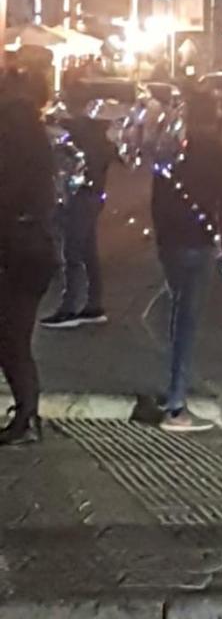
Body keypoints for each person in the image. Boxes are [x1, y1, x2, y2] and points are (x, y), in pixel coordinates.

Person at [150, 91, 222, 432]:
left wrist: (161, 238)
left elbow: (158, 198)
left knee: (178, 313)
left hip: (171, 243)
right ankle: (176, 405)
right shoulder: (218, 153)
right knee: (187, 323)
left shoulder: (171, 151)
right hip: (199, 244)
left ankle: (173, 388)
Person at [0, 70, 58, 444]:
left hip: (15, 251)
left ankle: (26, 417)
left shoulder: (12, 133)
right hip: (32, 250)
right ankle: (26, 414)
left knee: (11, 338)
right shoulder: (36, 136)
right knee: (13, 337)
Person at [40, 89, 115, 330]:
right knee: (88, 250)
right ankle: (94, 304)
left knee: (72, 252)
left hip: (77, 196)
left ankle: (69, 307)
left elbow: (63, 160)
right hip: (93, 194)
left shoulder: (73, 133)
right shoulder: (100, 132)